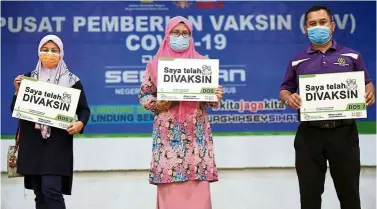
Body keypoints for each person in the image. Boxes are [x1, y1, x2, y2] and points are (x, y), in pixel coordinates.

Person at [279, 5, 375, 209]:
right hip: (309, 136)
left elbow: (367, 82)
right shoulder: (297, 60)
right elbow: (284, 89)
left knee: (349, 196)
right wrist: (289, 99)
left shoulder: (352, 56)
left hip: (344, 132)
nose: (318, 27)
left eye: (322, 23)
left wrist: (370, 92)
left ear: (332, 26)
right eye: (312, 24)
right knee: (309, 198)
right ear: (306, 28)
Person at [138, 16, 223, 209]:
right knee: (171, 195)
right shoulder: (154, 65)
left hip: (196, 139)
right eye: (175, 32)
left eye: (185, 33)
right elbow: (144, 96)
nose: (180, 37)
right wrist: (158, 105)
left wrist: (215, 96)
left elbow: (211, 99)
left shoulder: (202, 63)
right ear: (167, 35)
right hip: (168, 139)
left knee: (198, 197)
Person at [11, 34, 91, 209]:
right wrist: (18, 91)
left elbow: (84, 110)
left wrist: (80, 124)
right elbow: (15, 110)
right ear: (38, 52)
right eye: (45, 50)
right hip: (32, 144)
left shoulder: (71, 81)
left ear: (61, 53)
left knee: (51, 190)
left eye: (54, 51)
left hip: (57, 144)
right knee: (39, 192)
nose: (49, 54)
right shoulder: (28, 79)